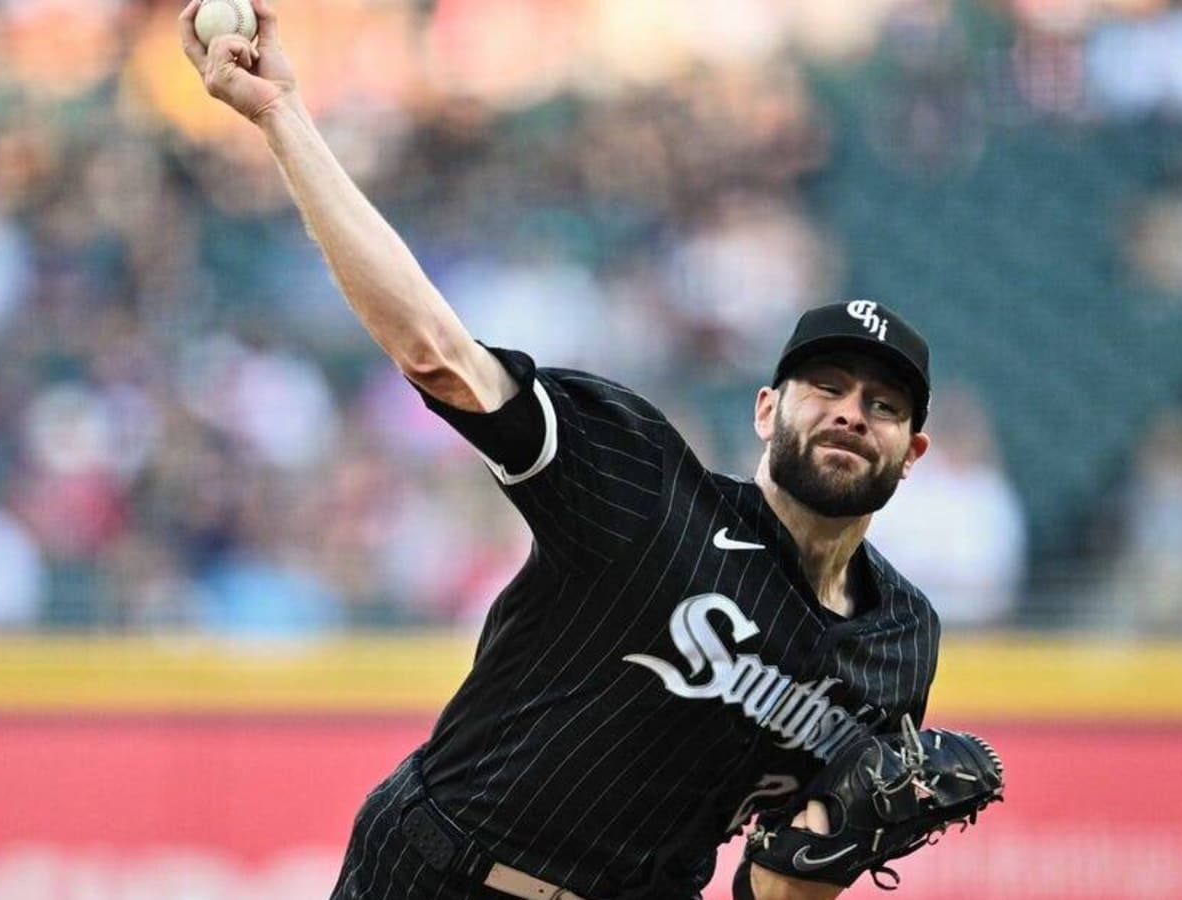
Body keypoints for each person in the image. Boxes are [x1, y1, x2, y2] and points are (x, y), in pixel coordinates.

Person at [179, 4, 942, 898]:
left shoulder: (898, 641)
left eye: (882, 404)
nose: (852, 413)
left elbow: (776, 890)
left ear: (913, 449)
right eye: (827, 388)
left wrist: (849, 835)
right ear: (768, 409)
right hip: (440, 875)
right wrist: (281, 117)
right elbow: (439, 355)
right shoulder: (647, 488)